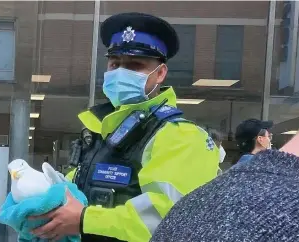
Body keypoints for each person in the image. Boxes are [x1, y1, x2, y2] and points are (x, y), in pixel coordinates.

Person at [30, 12, 220, 242]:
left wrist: (83, 220)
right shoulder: (103, 130)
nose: (121, 72)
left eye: (134, 65)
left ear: (160, 73)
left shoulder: (181, 138)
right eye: (115, 63)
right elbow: (78, 192)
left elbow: (170, 220)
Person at [150, 130, 299, 242]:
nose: (270, 140)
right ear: (259, 139)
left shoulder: (194, 201)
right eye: (269, 136)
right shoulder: (281, 203)